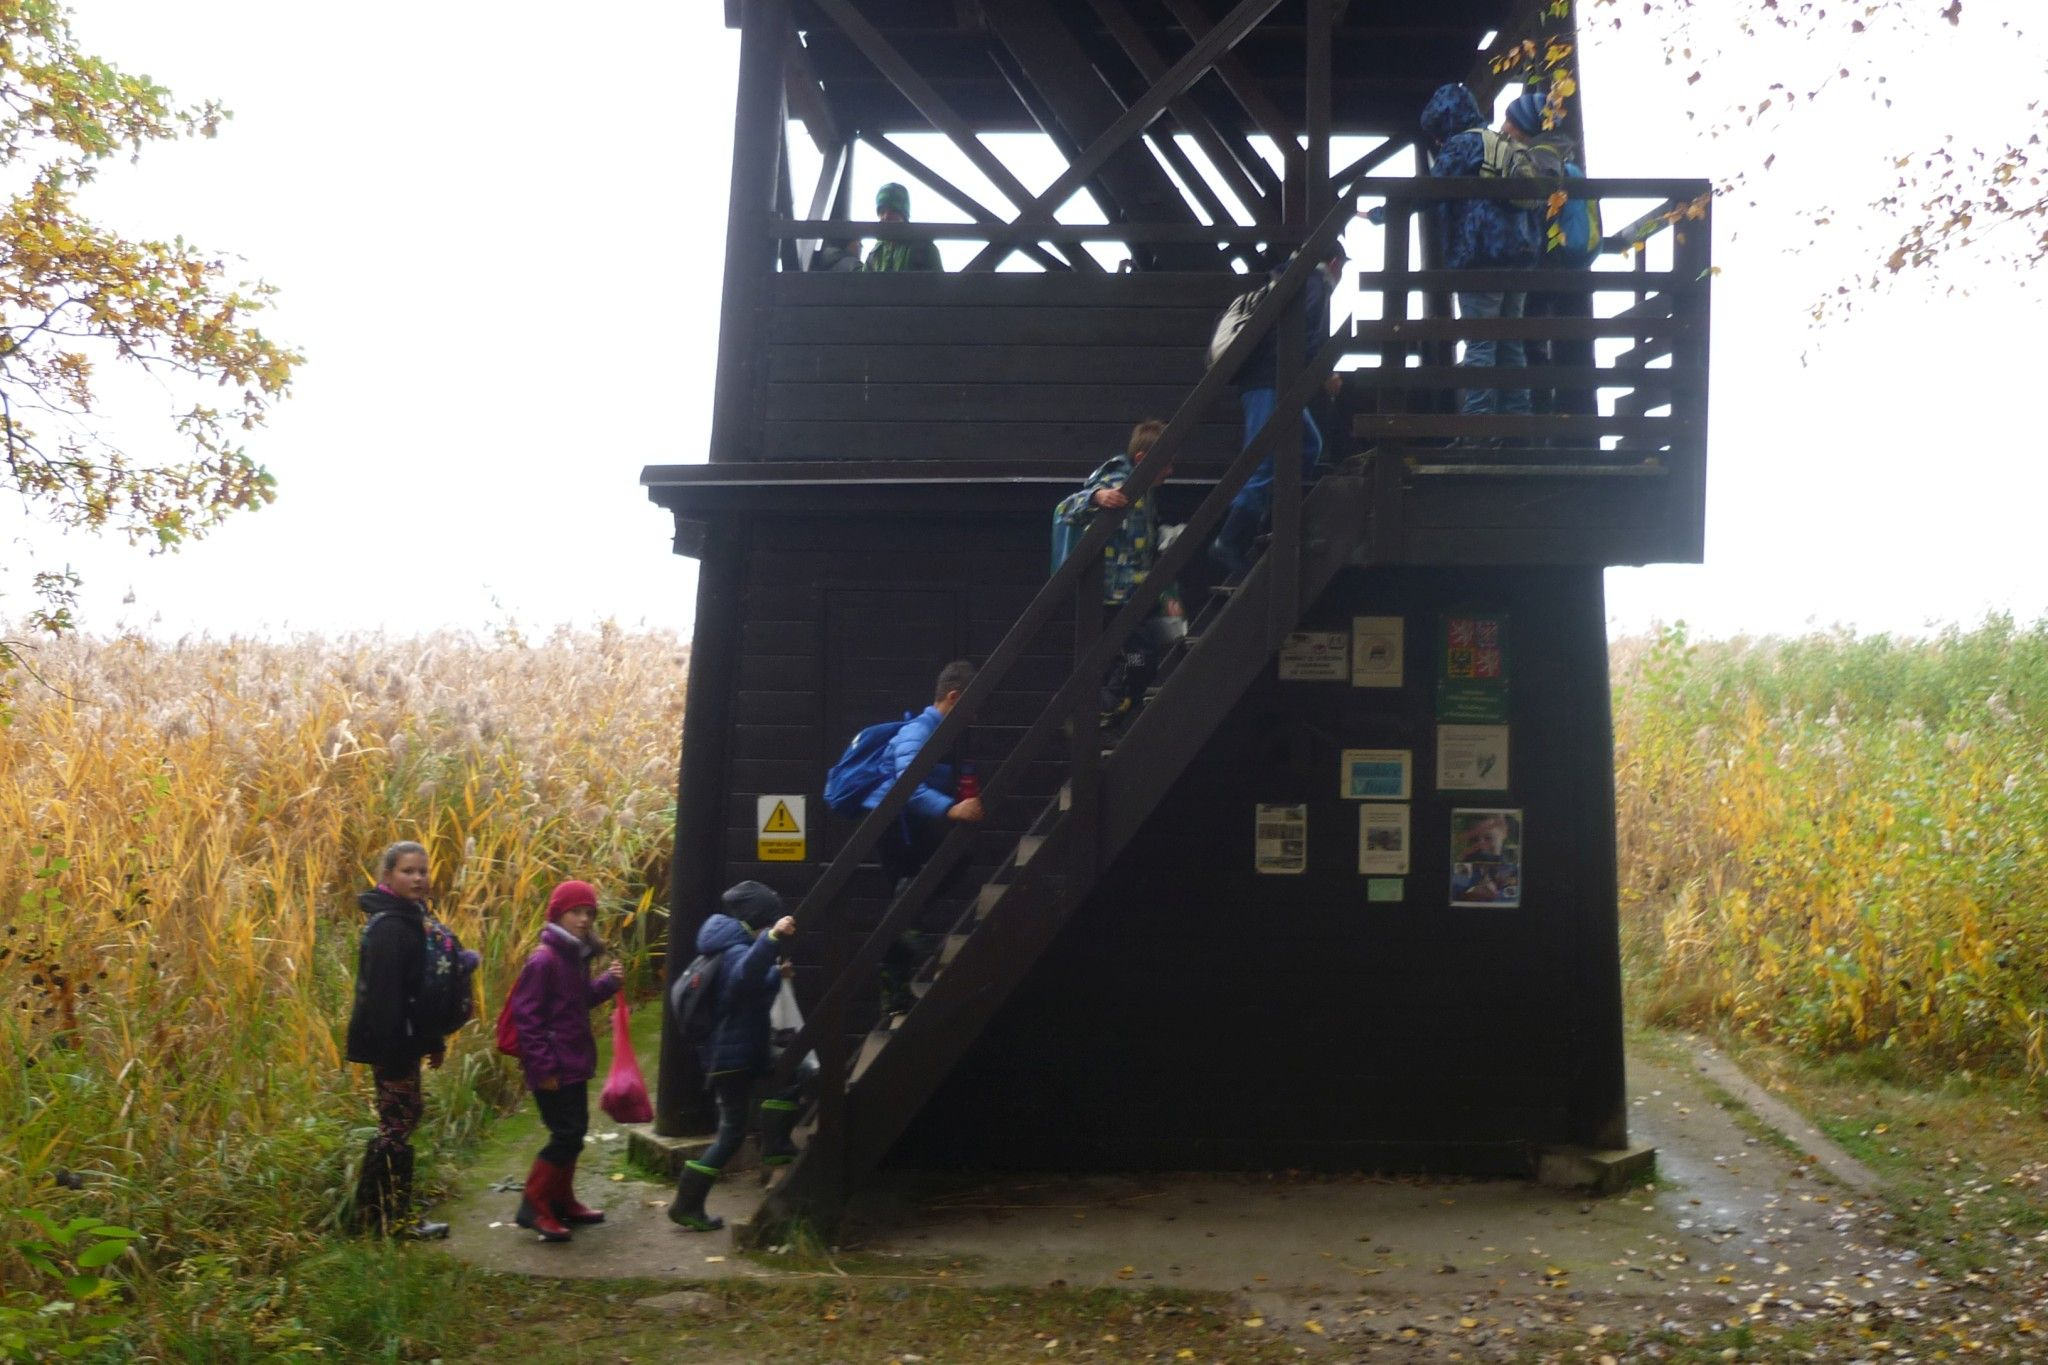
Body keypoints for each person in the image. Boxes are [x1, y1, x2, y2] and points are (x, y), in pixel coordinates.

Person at [343, 840, 474, 1239]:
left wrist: (433, 1041)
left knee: (401, 1120)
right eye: (408, 871)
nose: (418, 878)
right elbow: (385, 998)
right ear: (388, 876)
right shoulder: (390, 927)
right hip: (393, 1043)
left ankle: (377, 1219)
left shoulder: (412, 918)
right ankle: (389, 1221)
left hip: (407, 1039)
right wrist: (399, 1053)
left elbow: (424, 990)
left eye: (422, 871)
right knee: (397, 1124)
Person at [668, 881, 800, 1233]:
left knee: (794, 1073)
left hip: (740, 1052)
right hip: (733, 1059)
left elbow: (744, 988)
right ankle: (687, 1202)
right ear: (759, 920)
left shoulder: (728, 946)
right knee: (731, 1134)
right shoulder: (736, 950)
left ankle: (775, 1147)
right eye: (768, 921)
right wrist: (772, 938)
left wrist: (776, 974)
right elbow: (744, 975)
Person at [1210, 247, 1348, 577]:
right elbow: (1305, 332)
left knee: (1308, 445)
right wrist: (1324, 374)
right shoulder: (1315, 282)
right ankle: (1230, 540)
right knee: (1266, 458)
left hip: (1267, 380)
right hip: (1268, 380)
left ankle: (1270, 520)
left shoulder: (1290, 277)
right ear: (1334, 263)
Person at [505, 879, 625, 1243]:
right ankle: (535, 1203)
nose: (584, 919)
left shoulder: (574, 956)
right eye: (576, 912)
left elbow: (575, 1002)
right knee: (566, 1134)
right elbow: (527, 1019)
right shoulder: (544, 959)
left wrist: (607, 984)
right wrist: (543, 1069)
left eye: (589, 913)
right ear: (558, 914)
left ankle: (561, 1200)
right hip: (553, 1066)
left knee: (575, 1131)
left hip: (572, 1061)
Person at [864, 659, 985, 1013]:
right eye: (971, 707)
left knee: (908, 906)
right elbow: (908, 787)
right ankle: (895, 988)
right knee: (906, 906)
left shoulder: (942, 734)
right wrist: (952, 809)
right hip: (893, 827)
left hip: (908, 825)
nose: (974, 716)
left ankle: (896, 991)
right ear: (953, 697)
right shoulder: (918, 732)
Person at [1420, 82, 1541, 425]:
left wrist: (1381, 214)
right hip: (1518, 256)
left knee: (1480, 343)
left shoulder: (1461, 145)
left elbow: (1426, 192)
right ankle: (1517, 427)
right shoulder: (1496, 141)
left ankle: (1477, 428)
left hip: (1480, 257)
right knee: (1510, 345)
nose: (1437, 142)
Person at [1053, 419, 1186, 726]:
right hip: (1112, 597)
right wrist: (1096, 497)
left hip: (1133, 594)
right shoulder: (1118, 481)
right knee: (1137, 660)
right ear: (1142, 459)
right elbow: (1064, 509)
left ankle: (1105, 711)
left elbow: (1142, 542)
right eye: (1166, 464)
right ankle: (1096, 711)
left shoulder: (1146, 492)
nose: (1170, 471)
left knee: (1137, 658)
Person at [1500, 91, 1602, 435]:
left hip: (1543, 264)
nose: (1505, 127)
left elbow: (1529, 208)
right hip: (1571, 265)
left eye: (1511, 121)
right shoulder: (1567, 161)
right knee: (1566, 345)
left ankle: (1537, 422)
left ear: (1525, 126)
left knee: (1529, 342)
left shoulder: (1538, 160)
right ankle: (1569, 427)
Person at [864, 182, 942, 273]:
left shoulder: (923, 248)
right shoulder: (876, 253)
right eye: (882, 211)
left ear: (904, 215)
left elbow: (938, 281)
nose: (886, 216)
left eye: (893, 211)